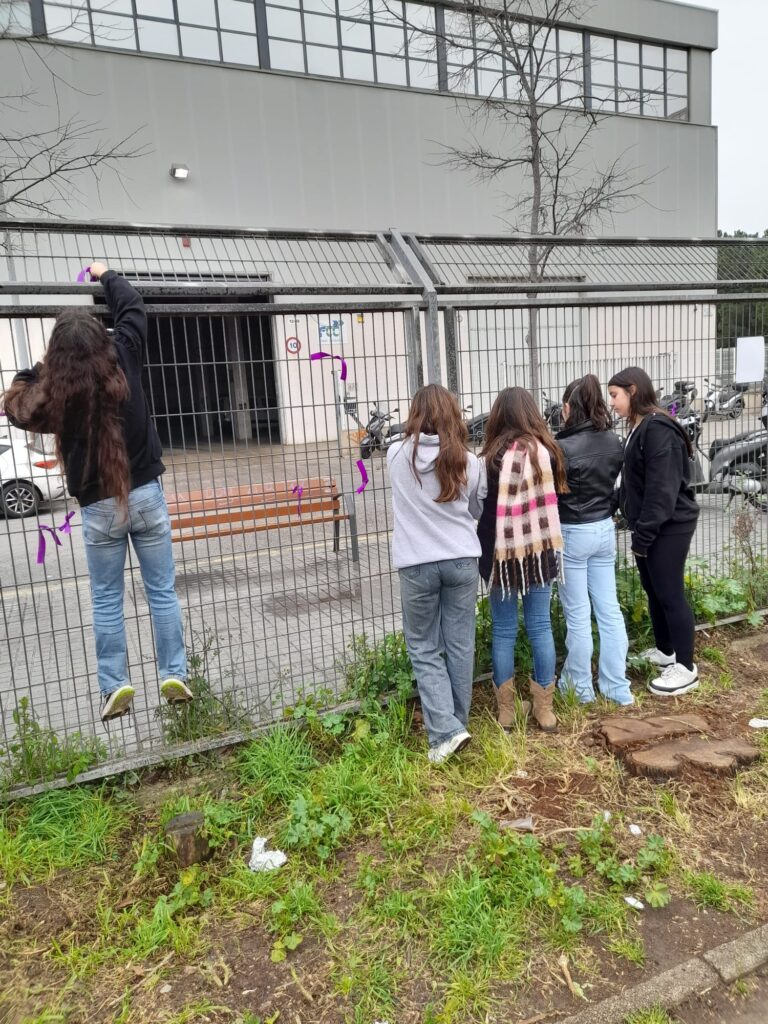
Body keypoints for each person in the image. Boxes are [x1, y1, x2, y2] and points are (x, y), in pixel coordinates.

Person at [2, 262, 192, 722]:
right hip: (146, 495)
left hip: (97, 508)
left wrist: (42, 367)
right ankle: (174, 675)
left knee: (107, 598)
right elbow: (132, 307)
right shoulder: (123, 354)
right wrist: (105, 274)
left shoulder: (54, 391)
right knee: (162, 592)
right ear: (100, 339)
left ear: (57, 354)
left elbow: (16, 406)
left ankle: (115, 685)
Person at [388, 384, 486, 764]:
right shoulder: (469, 461)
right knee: (460, 644)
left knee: (423, 645)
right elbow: (476, 510)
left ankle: (446, 731)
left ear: (414, 414)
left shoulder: (396, 455)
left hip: (416, 563)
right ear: (453, 415)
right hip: (462, 559)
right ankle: (456, 724)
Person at [477, 387, 567, 733]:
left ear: (499, 416)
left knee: (503, 630)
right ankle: (545, 710)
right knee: (540, 625)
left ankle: (506, 712)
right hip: (539, 553)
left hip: (500, 557)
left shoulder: (491, 459)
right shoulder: (547, 453)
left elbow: (482, 511)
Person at [607, 366, 700, 697]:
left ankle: (686, 668)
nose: (612, 403)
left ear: (633, 391)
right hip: (650, 525)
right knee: (654, 589)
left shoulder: (658, 428)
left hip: (669, 526)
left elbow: (662, 490)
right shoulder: (639, 426)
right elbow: (634, 482)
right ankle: (666, 651)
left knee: (670, 593)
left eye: (615, 395)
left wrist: (644, 536)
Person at [555, 375, 633, 705]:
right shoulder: (614, 441)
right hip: (604, 528)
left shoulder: (561, 448)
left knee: (578, 614)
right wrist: (609, 508)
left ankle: (580, 688)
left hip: (573, 532)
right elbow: (619, 487)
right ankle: (617, 687)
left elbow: (554, 496)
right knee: (609, 609)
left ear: (568, 408)